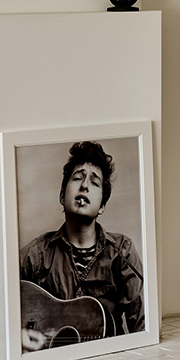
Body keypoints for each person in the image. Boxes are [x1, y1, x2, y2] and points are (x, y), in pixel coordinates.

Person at [19, 141, 144, 346]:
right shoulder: (37, 253)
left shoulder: (122, 252)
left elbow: (141, 326)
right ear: (62, 195)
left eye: (94, 183)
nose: (84, 185)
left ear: (102, 206)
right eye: (77, 178)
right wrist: (17, 334)